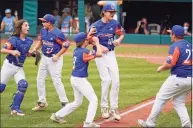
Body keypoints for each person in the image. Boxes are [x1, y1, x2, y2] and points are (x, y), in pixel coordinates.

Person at [138, 25, 192, 128]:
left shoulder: (175, 46)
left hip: (178, 78)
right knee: (179, 102)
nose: (170, 35)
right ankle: (187, 125)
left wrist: (161, 68)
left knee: (161, 98)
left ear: (174, 35)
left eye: (171, 33)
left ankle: (150, 123)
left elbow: (170, 63)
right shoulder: (190, 45)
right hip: (190, 79)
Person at [50, 31, 102, 127]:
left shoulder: (76, 50)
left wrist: (89, 37)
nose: (88, 40)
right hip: (80, 80)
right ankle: (88, 123)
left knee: (77, 102)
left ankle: (57, 115)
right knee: (93, 99)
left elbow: (87, 48)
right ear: (84, 41)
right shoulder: (84, 52)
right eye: (86, 39)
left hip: (74, 78)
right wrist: (97, 42)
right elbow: (99, 54)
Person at [90, 4, 125, 121]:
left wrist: (119, 40)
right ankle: (104, 107)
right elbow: (89, 40)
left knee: (116, 81)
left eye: (113, 12)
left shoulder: (115, 23)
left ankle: (114, 108)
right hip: (99, 55)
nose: (112, 13)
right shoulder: (95, 25)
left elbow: (121, 33)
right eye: (110, 12)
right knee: (106, 80)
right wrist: (99, 46)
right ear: (104, 12)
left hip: (111, 54)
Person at [32, 14, 69, 111]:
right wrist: (35, 48)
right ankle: (42, 102)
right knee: (39, 79)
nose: (42, 22)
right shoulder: (43, 30)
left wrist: (58, 55)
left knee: (56, 80)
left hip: (54, 58)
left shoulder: (58, 33)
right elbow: (41, 41)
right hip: (44, 58)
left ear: (49, 23)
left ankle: (65, 102)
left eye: (44, 21)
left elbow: (66, 45)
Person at [0, 19, 34, 116]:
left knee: (23, 85)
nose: (28, 27)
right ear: (20, 28)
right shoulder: (13, 39)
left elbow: (24, 52)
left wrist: (31, 54)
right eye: (26, 25)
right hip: (8, 65)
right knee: (1, 87)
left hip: (19, 67)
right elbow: (2, 50)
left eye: (28, 25)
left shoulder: (29, 41)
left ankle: (15, 108)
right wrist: (12, 51)